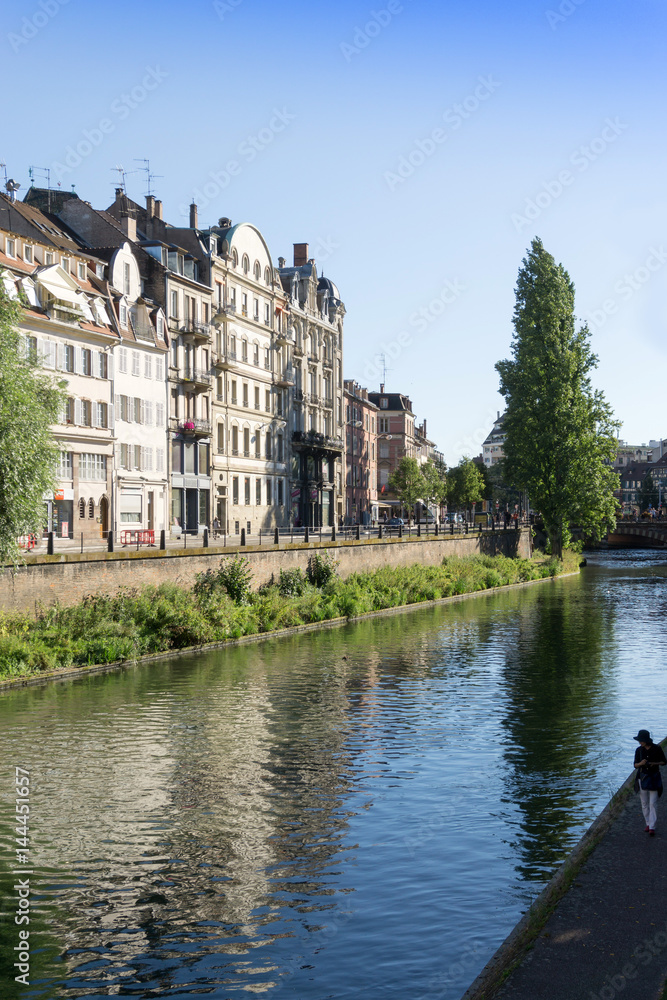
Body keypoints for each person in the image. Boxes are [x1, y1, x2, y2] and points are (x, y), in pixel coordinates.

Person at [633, 729, 666, 835]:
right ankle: (648, 822)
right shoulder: (639, 750)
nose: (640, 742)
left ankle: (652, 826)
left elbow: (664, 762)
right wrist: (641, 763)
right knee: (644, 803)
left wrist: (654, 763)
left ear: (647, 740)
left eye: (641, 740)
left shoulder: (657, 748)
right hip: (642, 778)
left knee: (653, 803)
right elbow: (635, 765)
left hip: (654, 778)